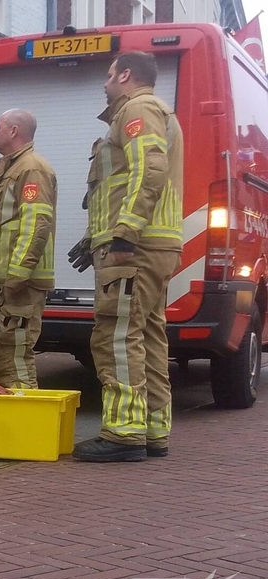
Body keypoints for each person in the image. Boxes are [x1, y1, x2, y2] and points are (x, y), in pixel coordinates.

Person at [71, 52, 183, 463]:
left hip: (135, 248)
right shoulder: (152, 112)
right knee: (147, 334)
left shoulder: (138, 109)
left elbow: (148, 170)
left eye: (108, 75)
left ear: (126, 75)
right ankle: (153, 429)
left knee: (116, 334)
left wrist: (123, 234)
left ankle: (123, 433)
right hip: (152, 245)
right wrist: (93, 238)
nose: (104, 83)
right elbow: (125, 183)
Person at [0, 109, 57, 389]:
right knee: (1, 350)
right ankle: (14, 417)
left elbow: (36, 224)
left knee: (15, 353)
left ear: (13, 131)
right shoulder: (9, 168)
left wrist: (18, 274)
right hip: (4, 280)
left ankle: (28, 420)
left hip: (17, 282)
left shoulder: (31, 169)